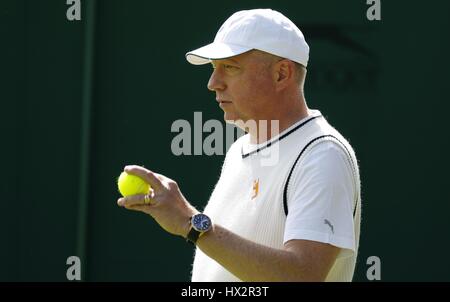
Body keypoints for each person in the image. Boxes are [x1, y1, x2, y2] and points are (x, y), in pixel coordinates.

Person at [117, 8, 361, 282]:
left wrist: (190, 222)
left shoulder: (322, 155)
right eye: (213, 68)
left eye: (230, 67)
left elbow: (302, 276)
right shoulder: (238, 151)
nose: (213, 83)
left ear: (282, 74)